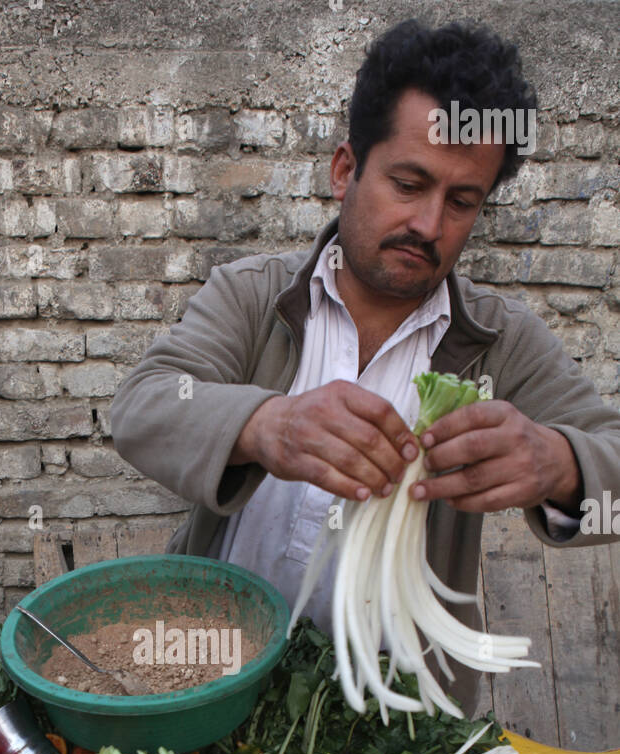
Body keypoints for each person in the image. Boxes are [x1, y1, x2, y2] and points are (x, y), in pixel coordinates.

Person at [109, 18, 620, 716]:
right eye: (408, 184)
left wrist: (561, 464)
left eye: (462, 202)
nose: (429, 225)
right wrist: (265, 425)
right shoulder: (255, 296)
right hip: (213, 681)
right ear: (346, 168)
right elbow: (143, 407)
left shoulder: (504, 343)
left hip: (393, 717)